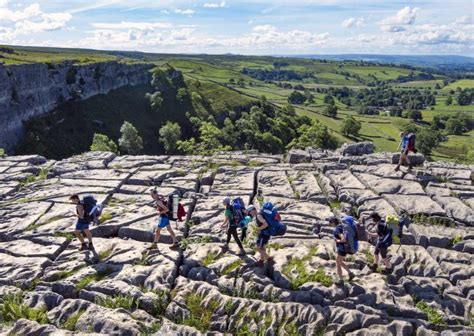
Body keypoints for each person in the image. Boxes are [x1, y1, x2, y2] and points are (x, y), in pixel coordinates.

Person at [330, 216, 355, 285]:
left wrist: (337, 240)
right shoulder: (342, 226)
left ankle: (340, 280)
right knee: (340, 262)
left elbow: (343, 239)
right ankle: (350, 273)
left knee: (337, 264)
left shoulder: (337, 229)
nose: (330, 225)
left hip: (342, 249)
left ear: (333, 222)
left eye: (330, 223)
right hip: (345, 248)